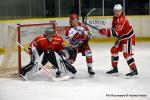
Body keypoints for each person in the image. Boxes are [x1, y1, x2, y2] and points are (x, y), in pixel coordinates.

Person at [99, 4, 138, 77]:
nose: (117, 12)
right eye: (116, 11)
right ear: (113, 11)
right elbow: (114, 29)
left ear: (122, 11)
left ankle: (134, 70)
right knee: (114, 50)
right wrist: (108, 33)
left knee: (127, 54)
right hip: (121, 37)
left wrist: (106, 31)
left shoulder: (122, 19)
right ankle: (114, 68)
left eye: (119, 11)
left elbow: (116, 32)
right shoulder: (114, 18)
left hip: (128, 38)